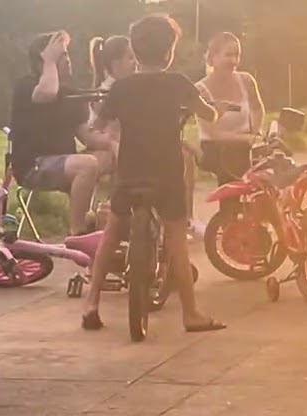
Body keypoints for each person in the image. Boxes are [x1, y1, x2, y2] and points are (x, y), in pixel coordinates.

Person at [82, 13, 225, 335]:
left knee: (112, 232)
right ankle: (191, 313)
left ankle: (91, 302)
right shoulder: (178, 83)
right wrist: (211, 106)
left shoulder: (121, 87)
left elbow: (98, 124)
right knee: (177, 239)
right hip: (167, 172)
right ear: (169, 51)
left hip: (130, 171)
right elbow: (209, 114)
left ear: (135, 51)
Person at [11, 31, 114, 236]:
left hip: (66, 162)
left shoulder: (70, 93)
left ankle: (106, 222)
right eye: (60, 56)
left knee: (110, 155)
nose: (67, 60)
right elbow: (47, 94)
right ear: (41, 62)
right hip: (33, 165)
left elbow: (86, 136)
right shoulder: (28, 86)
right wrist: (49, 61)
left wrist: (113, 140)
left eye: (67, 54)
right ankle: (78, 232)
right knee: (87, 164)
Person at [195, 32, 265, 185]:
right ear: (212, 58)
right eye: (228, 55)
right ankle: (233, 198)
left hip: (245, 144)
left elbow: (257, 109)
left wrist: (255, 132)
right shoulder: (200, 90)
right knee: (234, 156)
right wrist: (247, 139)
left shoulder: (246, 80)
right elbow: (213, 134)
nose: (233, 61)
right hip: (215, 147)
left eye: (236, 55)